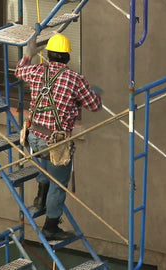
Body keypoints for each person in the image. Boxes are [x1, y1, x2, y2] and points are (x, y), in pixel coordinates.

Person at [15, 33, 102, 241]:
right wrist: (95, 93)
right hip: (56, 142)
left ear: (49, 56)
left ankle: (40, 198)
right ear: (67, 58)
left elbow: (18, 71)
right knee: (59, 182)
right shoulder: (75, 79)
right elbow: (94, 106)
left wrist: (28, 55)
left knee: (45, 163)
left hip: (33, 136)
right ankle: (51, 226)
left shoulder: (37, 70)